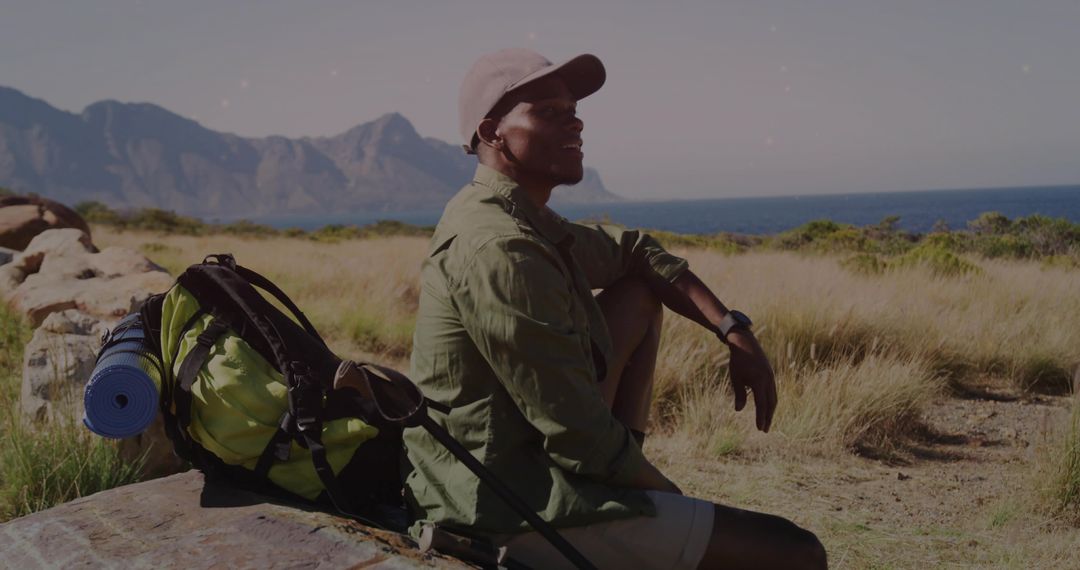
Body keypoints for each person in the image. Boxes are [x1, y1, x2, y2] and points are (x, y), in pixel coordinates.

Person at [403, 48, 827, 570]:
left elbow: (637, 253)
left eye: (574, 110)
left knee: (638, 292)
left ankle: (641, 501)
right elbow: (575, 429)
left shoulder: (524, 221)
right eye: (548, 112)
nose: (575, 122)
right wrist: (672, 497)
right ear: (492, 133)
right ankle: (644, 512)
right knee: (795, 553)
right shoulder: (500, 248)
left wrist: (733, 330)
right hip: (504, 504)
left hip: (539, 471)